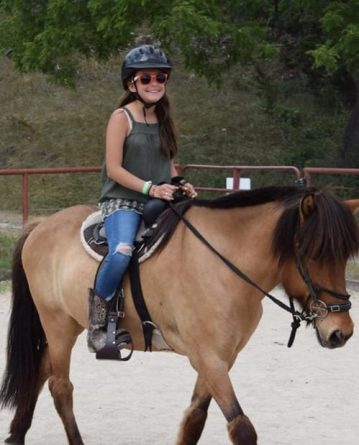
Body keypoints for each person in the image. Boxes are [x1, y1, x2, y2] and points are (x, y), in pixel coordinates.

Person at [87, 43, 197, 353]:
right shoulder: (121, 118)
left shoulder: (163, 119)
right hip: (122, 200)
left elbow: (167, 162)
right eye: (145, 78)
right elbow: (114, 168)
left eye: (160, 77)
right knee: (122, 251)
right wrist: (152, 188)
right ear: (130, 83)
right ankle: (97, 323)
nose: (154, 84)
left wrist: (178, 182)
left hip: (158, 197)